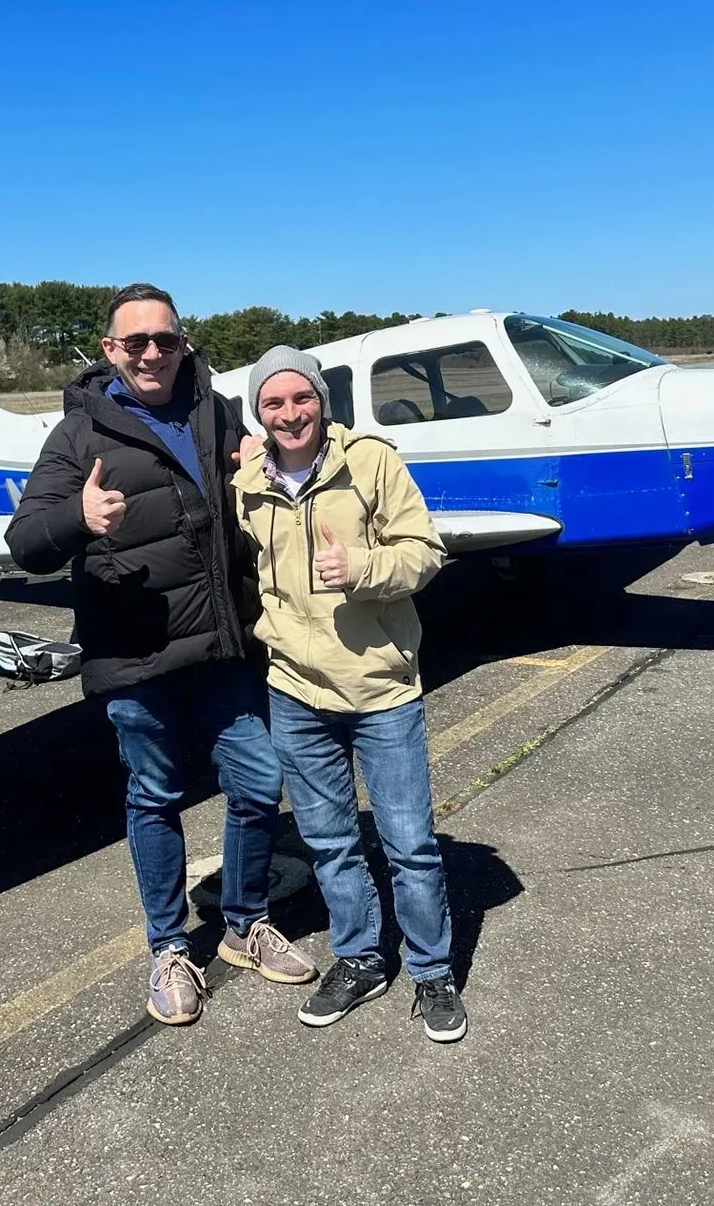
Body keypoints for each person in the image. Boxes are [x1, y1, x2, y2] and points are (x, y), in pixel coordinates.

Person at [5, 284, 315, 1026]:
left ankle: (243, 923)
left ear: (184, 345)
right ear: (109, 351)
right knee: (155, 796)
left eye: (165, 340)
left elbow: (255, 478)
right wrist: (76, 521)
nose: (151, 353)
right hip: (135, 653)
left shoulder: (215, 411)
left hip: (220, 643)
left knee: (256, 779)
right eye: (135, 342)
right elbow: (24, 543)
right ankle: (170, 948)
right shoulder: (77, 436)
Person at [232, 346, 467, 1043]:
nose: (289, 413)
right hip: (295, 692)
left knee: (409, 844)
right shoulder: (248, 480)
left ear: (320, 400)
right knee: (330, 842)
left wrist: (361, 567)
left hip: (380, 690)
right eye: (272, 404)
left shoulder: (371, 462)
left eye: (300, 398)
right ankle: (362, 958)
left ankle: (432, 972)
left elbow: (424, 552)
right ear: (259, 414)